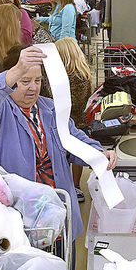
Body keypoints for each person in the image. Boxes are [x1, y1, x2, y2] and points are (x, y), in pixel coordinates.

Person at [0, 44, 117, 239]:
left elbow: (73, 139)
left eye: (37, 80)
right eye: (25, 80)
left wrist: (97, 155)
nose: (33, 87)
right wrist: (17, 69)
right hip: (16, 224)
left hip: (57, 218)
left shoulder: (49, 109)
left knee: (62, 265)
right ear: (11, 77)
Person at [55, 37, 93, 203]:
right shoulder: (82, 74)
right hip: (79, 122)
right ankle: (73, 185)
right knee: (73, 156)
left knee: (70, 156)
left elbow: (73, 103)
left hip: (73, 124)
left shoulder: (75, 77)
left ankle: (74, 186)